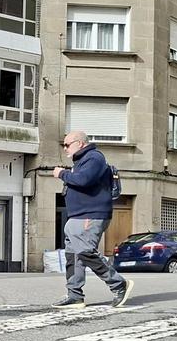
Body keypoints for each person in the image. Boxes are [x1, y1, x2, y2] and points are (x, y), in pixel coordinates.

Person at [52, 130, 134, 309]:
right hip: (77, 216)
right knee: (74, 256)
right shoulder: (82, 160)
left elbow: (84, 180)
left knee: (85, 252)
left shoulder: (94, 157)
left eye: (67, 144)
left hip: (90, 215)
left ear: (80, 143)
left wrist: (62, 174)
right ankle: (75, 295)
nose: (65, 148)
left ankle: (118, 284)